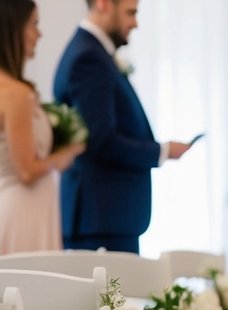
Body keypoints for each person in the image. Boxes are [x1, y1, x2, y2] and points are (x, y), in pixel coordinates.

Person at [53, 0, 193, 253]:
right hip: (100, 218)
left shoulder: (94, 53)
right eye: (131, 13)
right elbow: (101, 141)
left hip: (105, 218)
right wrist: (160, 151)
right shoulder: (89, 58)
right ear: (104, 4)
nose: (135, 23)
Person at [0, 0, 85, 254]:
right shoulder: (16, 95)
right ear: (14, 30)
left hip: (24, 207)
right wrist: (65, 155)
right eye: (34, 25)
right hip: (23, 210)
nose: (40, 33)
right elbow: (26, 171)